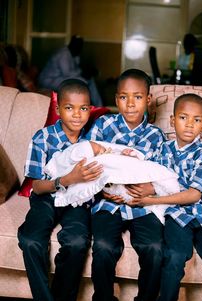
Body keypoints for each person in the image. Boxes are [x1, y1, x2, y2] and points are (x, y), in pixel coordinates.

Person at [128, 93, 202, 301]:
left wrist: (152, 201)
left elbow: (194, 195)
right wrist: (127, 157)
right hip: (176, 215)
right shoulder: (163, 149)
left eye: (196, 120)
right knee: (174, 257)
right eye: (183, 118)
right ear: (173, 120)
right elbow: (143, 166)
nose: (189, 125)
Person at [17, 78, 103, 301]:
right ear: (58, 109)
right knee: (31, 240)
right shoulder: (42, 138)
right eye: (69, 108)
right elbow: (36, 185)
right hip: (47, 195)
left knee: (77, 242)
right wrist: (66, 179)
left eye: (83, 108)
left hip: (78, 201)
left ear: (90, 109)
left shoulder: (93, 141)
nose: (77, 114)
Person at [85, 68, 166, 301]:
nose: (130, 104)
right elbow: (87, 162)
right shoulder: (102, 126)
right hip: (107, 202)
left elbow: (162, 174)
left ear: (148, 100)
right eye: (123, 97)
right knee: (102, 246)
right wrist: (103, 190)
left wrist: (149, 189)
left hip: (142, 203)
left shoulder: (155, 136)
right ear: (116, 99)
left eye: (138, 97)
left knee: (154, 247)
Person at [44, 140, 180, 223]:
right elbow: (95, 177)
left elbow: (137, 163)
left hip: (145, 190)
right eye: (97, 150)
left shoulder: (154, 136)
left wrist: (129, 155)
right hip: (110, 202)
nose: (102, 150)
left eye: (100, 148)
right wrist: (101, 192)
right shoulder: (91, 155)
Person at [38, 35, 103, 106]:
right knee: (83, 81)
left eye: (80, 45)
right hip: (49, 80)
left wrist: (85, 73)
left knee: (88, 80)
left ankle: (99, 106)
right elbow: (68, 73)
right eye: (77, 44)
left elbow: (76, 70)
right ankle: (92, 106)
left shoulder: (74, 54)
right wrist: (83, 73)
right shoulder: (63, 54)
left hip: (61, 78)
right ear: (72, 44)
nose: (79, 47)